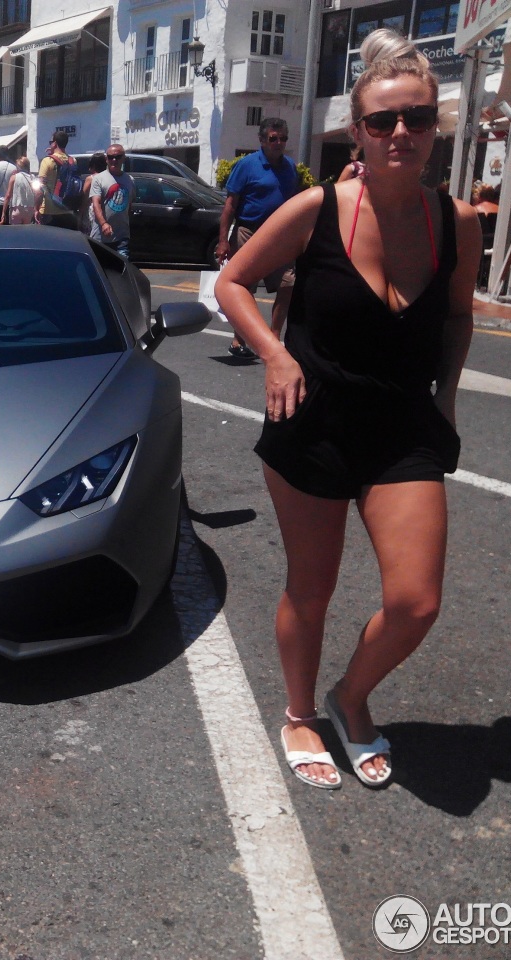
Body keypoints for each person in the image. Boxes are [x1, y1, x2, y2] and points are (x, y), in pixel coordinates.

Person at [214, 29, 480, 792]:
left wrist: (451, 392)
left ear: (436, 126)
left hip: (404, 426)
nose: (402, 133)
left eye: (418, 119)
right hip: (315, 419)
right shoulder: (316, 208)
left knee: (416, 600)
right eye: (384, 120)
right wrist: (276, 352)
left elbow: (459, 317)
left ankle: (350, 696)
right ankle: (301, 710)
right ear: (357, 130)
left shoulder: (456, 222)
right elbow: (233, 281)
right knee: (312, 585)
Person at [216, 118, 299, 358]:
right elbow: (230, 206)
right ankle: (238, 340)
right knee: (243, 287)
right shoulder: (246, 166)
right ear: (262, 141)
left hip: (279, 233)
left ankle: (273, 337)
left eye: (283, 138)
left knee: (288, 283)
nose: (279, 143)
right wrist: (223, 241)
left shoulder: (290, 167)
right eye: (273, 138)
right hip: (248, 231)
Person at [87, 145, 135, 258]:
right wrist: (103, 223)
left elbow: (129, 205)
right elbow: (96, 203)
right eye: (111, 157)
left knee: (122, 268)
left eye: (118, 157)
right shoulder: (98, 179)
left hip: (122, 236)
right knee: (102, 270)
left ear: (123, 158)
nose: (114, 160)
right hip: (100, 236)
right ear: (106, 159)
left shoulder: (130, 180)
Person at [37, 130, 75, 226]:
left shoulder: (47, 161)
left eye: (51, 142)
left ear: (54, 143)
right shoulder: (72, 161)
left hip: (49, 212)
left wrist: (36, 208)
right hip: (67, 210)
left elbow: (40, 189)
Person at [3, 156, 38, 225]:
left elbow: (8, 195)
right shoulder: (33, 177)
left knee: (16, 233)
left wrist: (3, 212)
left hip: (17, 208)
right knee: (26, 233)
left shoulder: (14, 177)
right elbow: (37, 194)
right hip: (30, 209)